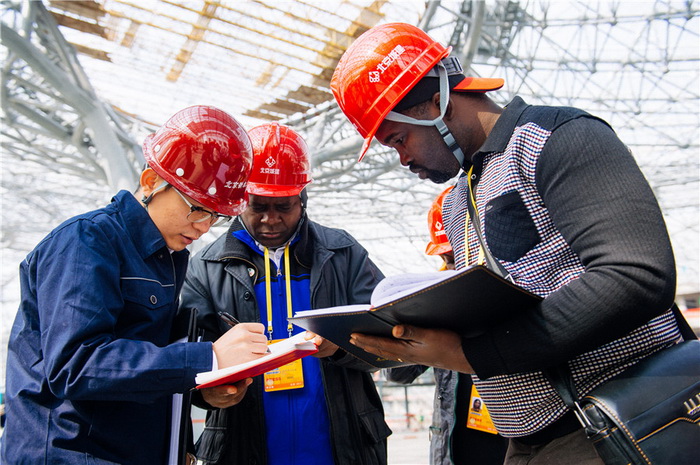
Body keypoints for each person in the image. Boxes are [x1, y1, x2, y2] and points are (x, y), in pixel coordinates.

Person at [331, 23, 680, 463]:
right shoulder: (461, 199)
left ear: (437, 103)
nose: (402, 159)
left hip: (614, 422)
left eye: (399, 139)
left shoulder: (558, 137)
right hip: (529, 442)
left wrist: (472, 354)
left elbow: (635, 275)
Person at [1, 105, 272, 465]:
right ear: (150, 183)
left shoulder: (168, 258)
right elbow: (75, 365)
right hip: (72, 453)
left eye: (216, 215)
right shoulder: (86, 242)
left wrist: (201, 394)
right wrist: (209, 357)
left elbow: (142, 365)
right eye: (196, 207)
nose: (204, 226)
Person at [180, 122, 391, 465]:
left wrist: (341, 347)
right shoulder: (207, 267)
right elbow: (187, 358)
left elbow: (389, 340)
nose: (271, 219)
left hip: (343, 448)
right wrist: (208, 396)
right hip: (243, 448)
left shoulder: (343, 253)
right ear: (238, 202)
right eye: (259, 206)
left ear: (302, 201)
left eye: (284, 206)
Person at [386, 186, 508, 465]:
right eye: (448, 260)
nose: (455, 268)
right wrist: (410, 318)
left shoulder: (515, 296)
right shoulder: (439, 304)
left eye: (461, 257)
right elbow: (398, 376)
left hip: (512, 447)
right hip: (454, 451)